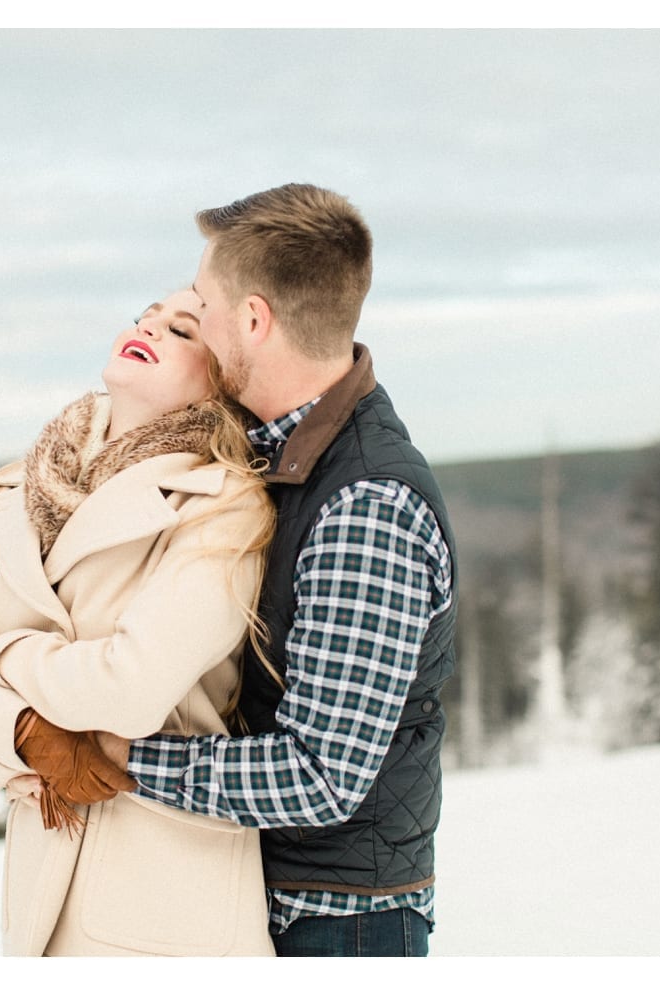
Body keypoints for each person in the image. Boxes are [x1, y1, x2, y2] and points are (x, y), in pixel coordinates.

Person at [68, 183, 455, 956]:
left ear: (253, 319)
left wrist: (123, 756)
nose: (193, 321)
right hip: (259, 894)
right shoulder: (272, 450)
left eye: (204, 305)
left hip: (336, 920)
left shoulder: (365, 505)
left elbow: (321, 775)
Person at [0, 289, 277, 957]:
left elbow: (131, 687)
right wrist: (16, 730)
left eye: (181, 329)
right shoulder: (11, 491)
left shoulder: (224, 504)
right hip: (40, 903)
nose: (149, 326)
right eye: (146, 314)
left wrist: (1, 660)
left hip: (175, 904)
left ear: (222, 381)